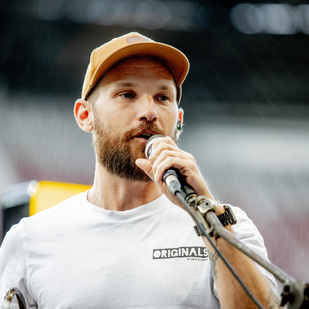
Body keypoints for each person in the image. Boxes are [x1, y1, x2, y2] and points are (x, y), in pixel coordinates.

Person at [0, 32, 280, 308]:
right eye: (127, 94)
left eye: (162, 97)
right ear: (85, 115)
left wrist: (208, 213)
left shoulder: (230, 226)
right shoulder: (29, 241)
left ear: (179, 120)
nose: (149, 111)